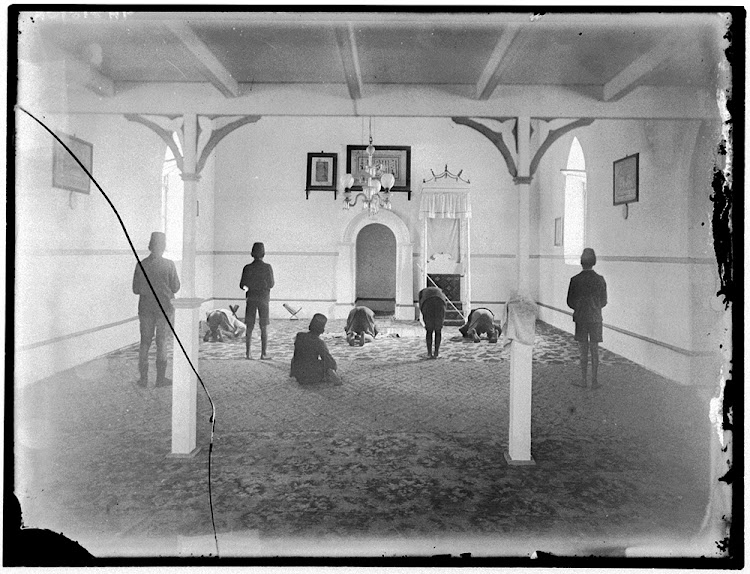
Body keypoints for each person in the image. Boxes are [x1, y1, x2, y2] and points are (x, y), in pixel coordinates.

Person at [132, 232, 180, 388]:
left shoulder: (141, 265)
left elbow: (135, 289)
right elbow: (176, 287)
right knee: (162, 342)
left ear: (150, 245)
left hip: (145, 308)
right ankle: (160, 379)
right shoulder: (169, 265)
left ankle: (143, 379)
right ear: (164, 246)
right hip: (164, 308)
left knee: (145, 342)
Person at [567, 247, 608, 389]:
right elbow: (604, 301)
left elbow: (570, 301)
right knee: (595, 350)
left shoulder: (575, 280)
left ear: (581, 262)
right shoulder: (600, 280)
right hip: (596, 318)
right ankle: (594, 381)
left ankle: (583, 380)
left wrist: (579, 308)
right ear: (594, 262)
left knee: (583, 350)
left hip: (581, 318)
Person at [239, 242, 274, 360]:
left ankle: (248, 353)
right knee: (263, 327)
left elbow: (242, 285)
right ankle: (263, 354)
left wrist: (249, 287)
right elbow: (271, 284)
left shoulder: (247, 268)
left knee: (249, 326)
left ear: (252, 253)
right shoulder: (267, 267)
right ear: (263, 253)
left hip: (251, 298)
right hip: (263, 299)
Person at [290, 313, 342, 385]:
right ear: (322, 330)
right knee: (328, 364)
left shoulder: (299, 336)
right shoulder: (319, 342)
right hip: (309, 375)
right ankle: (335, 380)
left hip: (298, 373)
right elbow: (329, 361)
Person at [418, 285, 447, 359]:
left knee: (429, 330)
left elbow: (421, 306)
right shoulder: (440, 291)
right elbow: (445, 303)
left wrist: (427, 322)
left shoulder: (422, 293)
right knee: (438, 330)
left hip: (427, 303)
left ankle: (429, 353)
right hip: (440, 303)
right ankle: (436, 353)